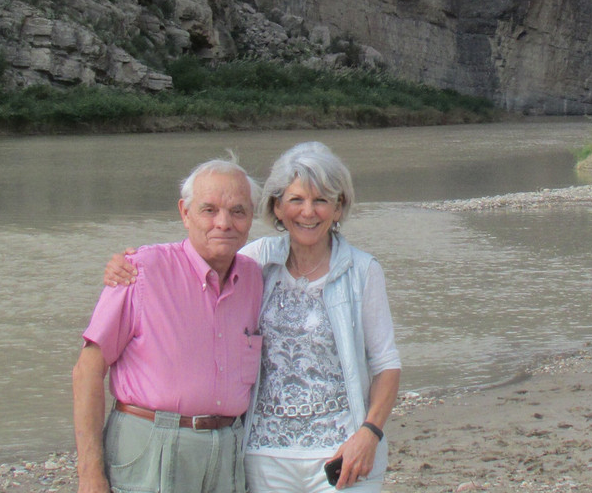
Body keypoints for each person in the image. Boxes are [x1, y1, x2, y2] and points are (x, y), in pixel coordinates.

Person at [104, 142, 401, 493]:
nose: (309, 212)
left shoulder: (362, 271)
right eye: (296, 200)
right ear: (276, 207)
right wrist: (131, 265)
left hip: (343, 455)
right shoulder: (256, 261)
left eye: (321, 200)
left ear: (339, 208)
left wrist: (370, 433)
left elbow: (385, 364)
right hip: (264, 457)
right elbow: (200, 262)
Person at [74, 159, 263, 493]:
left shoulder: (255, 278)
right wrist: (90, 474)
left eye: (238, 211)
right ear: (184, 212)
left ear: (251, 218)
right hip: (151, 445)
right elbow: (87, 370)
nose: (224, 222)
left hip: (229, 450)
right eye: (209, 210)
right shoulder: (140, 271)